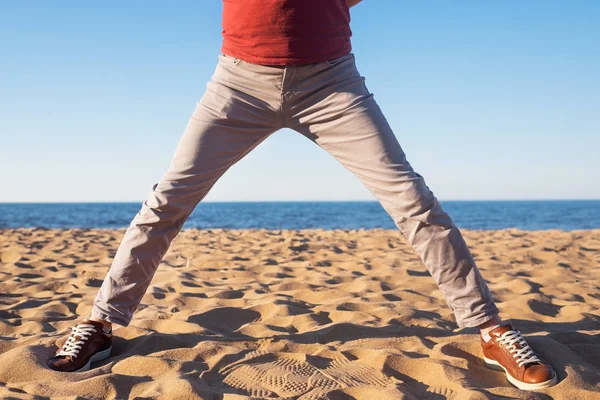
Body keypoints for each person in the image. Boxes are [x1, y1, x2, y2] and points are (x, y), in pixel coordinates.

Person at [47, 0, 557, 391]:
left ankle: (489, 330)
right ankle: (101, 323)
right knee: (166, 202)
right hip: (238, 82)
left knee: (413, 201)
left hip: (331, 82)